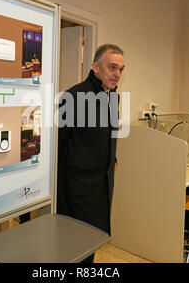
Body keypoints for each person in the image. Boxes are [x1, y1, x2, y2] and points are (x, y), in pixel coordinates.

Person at [56, 44, 125, 263]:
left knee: (92, 241)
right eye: (112, 67)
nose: (117, 74)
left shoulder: (113, 97)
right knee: (74, 247)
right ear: (95, 66)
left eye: (121, 69)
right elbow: (57, 144)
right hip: (77, 189)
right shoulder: (74, 96)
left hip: (102, 185)